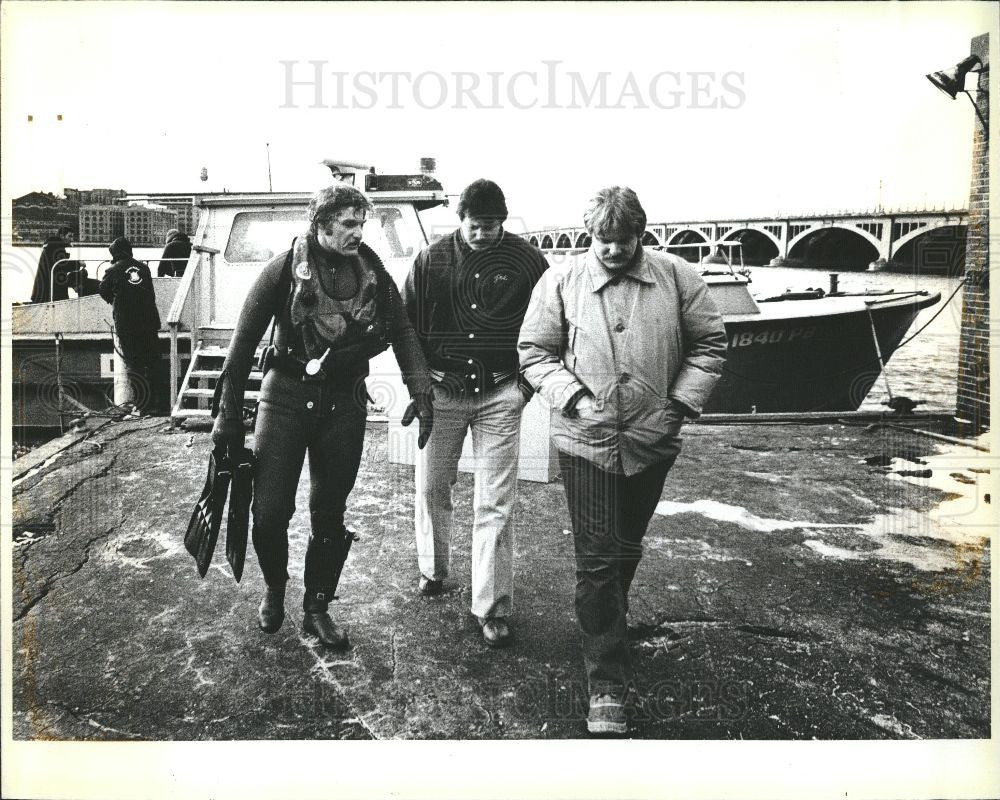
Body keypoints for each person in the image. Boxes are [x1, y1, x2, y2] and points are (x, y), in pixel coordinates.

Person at [518, 186, 727, 735]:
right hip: (584, 440)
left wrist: (678, 406)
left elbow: (710, 344)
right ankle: (606, 681)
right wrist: (573, 397)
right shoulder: (560, 281)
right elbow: (534, 352)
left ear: (642, 234)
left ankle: (602, 620)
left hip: (650, 439)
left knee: (625, 548)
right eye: (601, 241)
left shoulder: (678, 277)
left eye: (621, 240)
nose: (611, 251)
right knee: (597, 557)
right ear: (590, 237)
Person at [212, 184, 433, 649]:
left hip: (344, 401)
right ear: (321, 224)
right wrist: (228, 416)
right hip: (286, 396)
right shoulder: (283, 270)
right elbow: (241, 347)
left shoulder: (372, 272)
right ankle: (275, 586)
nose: (358, 233)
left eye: (361, 223)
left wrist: (421, 390)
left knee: (329, 512)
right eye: (348, 224)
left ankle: (317, 607)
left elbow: (402, 330)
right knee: (270, 513)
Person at [402, 179, 548, 647]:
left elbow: (552, 323)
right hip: (442, 394)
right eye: (475, 226)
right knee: (431, 487)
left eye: (491, 226)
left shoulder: (528, 262)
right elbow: (405, 326)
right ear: (459, 220)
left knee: (496, 500)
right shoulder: (431, 260)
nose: (483, 234)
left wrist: (524, 386)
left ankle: (492, 607)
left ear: (503, 221)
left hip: (501, 393)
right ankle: (433, 569)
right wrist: (421, 383)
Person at [98, 237, 163, 415]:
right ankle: (159, 404)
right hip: (149, 323)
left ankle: (142, 406)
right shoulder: (144, 269)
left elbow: (103, 290)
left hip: (128, 325)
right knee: (153, 363)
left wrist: (115, 301)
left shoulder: (112, 270)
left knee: (135, 365)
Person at [30, 226, 74, 303]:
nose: (72, 239)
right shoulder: (55, 247)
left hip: (44, 291)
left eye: (72, 237)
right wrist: (78, 263)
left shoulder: (53, 245)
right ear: (62, 236)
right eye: (69, 236)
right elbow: (62, 265)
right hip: (49, 292)